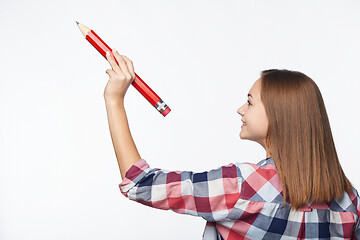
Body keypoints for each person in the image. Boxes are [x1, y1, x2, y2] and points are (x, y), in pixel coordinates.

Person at [103, 48, 360, 239]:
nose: (240, 109)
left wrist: (114, 99)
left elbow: (139, 183)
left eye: (249, 102)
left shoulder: (239, 186)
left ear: (278, 115)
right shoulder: (348, 200)